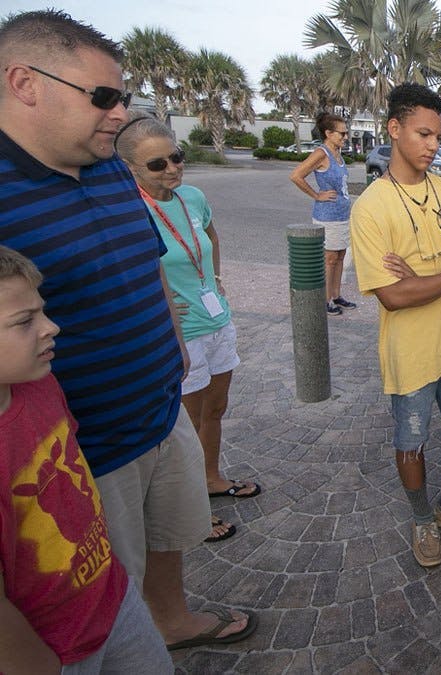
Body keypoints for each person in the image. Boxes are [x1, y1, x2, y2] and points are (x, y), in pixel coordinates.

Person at [0, 10, 255, 651]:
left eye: (125, 98)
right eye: (103, 98)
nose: (120, 114)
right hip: (82, 448)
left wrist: (171, 362)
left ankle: (171, 618)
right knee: (105, 592)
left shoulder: (112, 165)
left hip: (159, 408)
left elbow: (151, 274)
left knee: (169, 534)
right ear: (24, 83)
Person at [0, 246, 172, 674]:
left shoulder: (39, 385)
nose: (51, 327)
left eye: (42, 312)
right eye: (24, 322)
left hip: (111, 597)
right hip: (53, 647)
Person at [350, 82, 441, 568]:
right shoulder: (371, 206)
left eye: (438, 135)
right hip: (409, 351)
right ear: (394, 129)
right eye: (423, 134)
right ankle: (421, 519)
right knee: (410, 443)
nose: (433, 145)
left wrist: (431, 279)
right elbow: (393, 297)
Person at [115, 113, 261, 543]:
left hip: (216, 318)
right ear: (132, 171)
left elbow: (211, 236)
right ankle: (192, 510)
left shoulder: (192, 197)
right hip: (182, 332)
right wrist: (158, 304)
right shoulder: (131, 209)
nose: (173, 168)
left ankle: (212, 478)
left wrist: (213, 280)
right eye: (158, 164)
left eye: (176, 157)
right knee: (187, 422)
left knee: (216, 409)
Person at [290, 111, 356, 316]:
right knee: (330, 258)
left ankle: (336, 295)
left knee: (340, 256)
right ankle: (325, 299)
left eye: (346, 134)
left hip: (342, 214)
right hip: (327, 216)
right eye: (341, 134)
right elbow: (296, 175)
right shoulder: (321, 153)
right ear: (328, 133)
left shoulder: (338, 154)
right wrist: (316, 195)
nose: (345, 137)